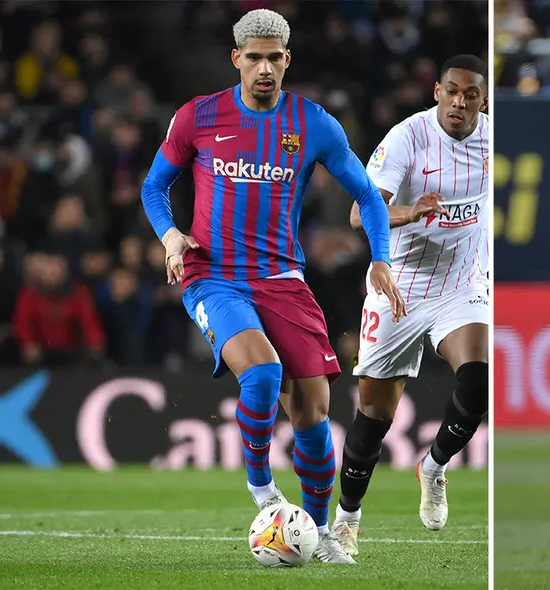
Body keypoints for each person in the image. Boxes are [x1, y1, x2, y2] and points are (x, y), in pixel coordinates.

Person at [139, 8, 405, 565]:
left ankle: (321, 532)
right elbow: (154, 187)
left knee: (313, 411)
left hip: (282, 279)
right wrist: (170, 236)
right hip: (213, 276)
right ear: (236, 58)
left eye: (274, 58)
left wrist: (380, 258)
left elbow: (368, 195)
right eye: (254, 57)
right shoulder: (198, 116)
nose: (264, 68)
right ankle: (262, 489)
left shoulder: (314, 124)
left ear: (288, 60)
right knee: (261, 373)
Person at [331, 54, 490, 558]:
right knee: (374, 416)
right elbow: (358, 214)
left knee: (479, 379)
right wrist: (411, 212)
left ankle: (434, 466)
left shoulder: (492, 140)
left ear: (484, 101)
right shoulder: (407, 137)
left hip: (462, 284)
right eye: (451, 91)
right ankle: (347, 520)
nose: (459, 102)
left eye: (470, 95)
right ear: (437, 92)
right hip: (400, 284)